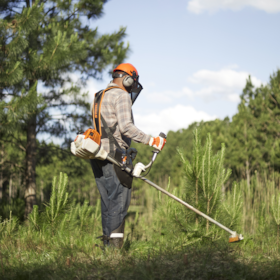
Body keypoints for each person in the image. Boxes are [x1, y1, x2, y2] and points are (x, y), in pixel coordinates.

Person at [90, 63, 166, 249]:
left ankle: (108, 248)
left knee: (107, 202)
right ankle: (115, 254)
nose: (132, 88)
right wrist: (151, 141)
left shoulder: (99, 95)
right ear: (127, 79)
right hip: (115, 156)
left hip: (98, 154)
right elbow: (126, 127)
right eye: (132, 83)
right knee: (119, 202)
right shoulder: (122, 95)